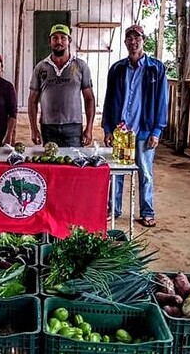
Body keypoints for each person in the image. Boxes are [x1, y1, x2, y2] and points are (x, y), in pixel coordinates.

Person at [102, 24, 168, 228]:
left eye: (137, 38)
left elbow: (162, 101)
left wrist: (157, 130)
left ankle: (147, 211)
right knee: (117, 172)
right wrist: (107, 128)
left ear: (143, 40)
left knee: (145, 173)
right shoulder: (117, 68)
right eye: (129, 38)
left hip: (144, 130)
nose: (133, 42)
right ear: (125, 42)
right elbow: (109, 99)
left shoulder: (156, 68)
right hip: (121, 131)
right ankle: (115, 209)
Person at [28, 23, 95, 147]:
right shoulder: (41, 67)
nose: (59, 41)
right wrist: (34, 129)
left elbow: (89, 98)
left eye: (63, 38)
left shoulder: (80, 66)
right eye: (55, 38)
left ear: (69, 41)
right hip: (48, 127)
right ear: (50, 42)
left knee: (74, 162)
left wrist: (89, 128)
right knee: (50, 164)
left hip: (73, 128)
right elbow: (32, 100)